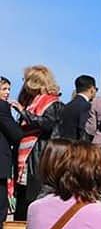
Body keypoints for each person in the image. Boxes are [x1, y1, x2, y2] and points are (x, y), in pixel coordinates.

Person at [13, 65, 64, 220]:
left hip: (39, 155)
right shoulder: (32, 102)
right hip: (28, 157)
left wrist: (24, 113)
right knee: (23, 198)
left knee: (34, 198)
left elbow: (47, 124)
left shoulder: (52, 103)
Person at [0, 76, 25, 224]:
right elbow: (16, 134)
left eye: (9, 89)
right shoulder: (2, 106)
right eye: (4, 89)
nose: (8, 92)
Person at [59, 75, 97, 141]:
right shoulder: (86, 106)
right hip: (77, 146)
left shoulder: (67, 106)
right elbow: (83, 129)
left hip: (65, 144)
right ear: (92, 89)